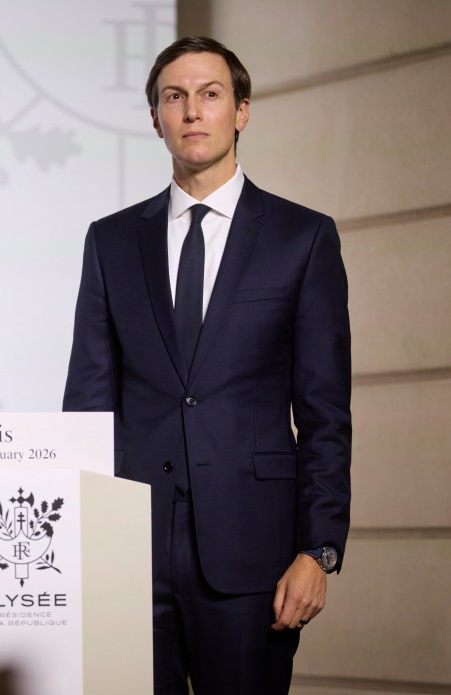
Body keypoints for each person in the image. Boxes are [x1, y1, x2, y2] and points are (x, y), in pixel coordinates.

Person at [63, 37, 351, 693]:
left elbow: (325, 414)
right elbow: (87, 404)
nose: (192, 110)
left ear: (241, 111)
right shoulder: (111, 240)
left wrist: (320, 549)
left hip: (255, 556)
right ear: (155, 118)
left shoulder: (302, 237)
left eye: (210, 94)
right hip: (129, 555)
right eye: (175, 97)